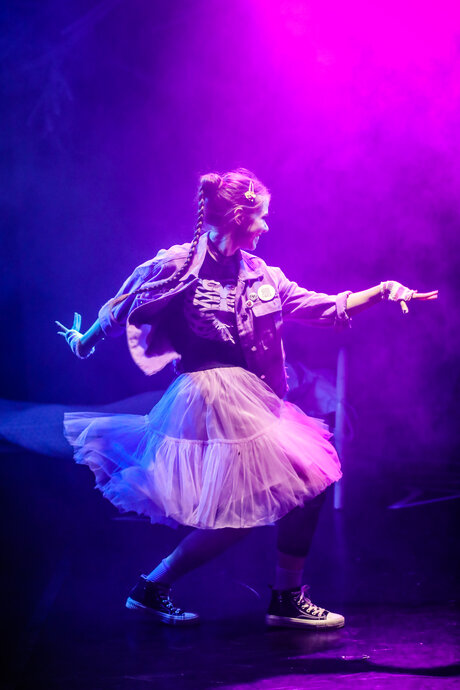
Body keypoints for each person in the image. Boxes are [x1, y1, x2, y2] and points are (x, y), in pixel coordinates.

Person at [57, 169, 438, 629]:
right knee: (293, 487)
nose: (267, 226)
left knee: (266, 502)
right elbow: (123, 306)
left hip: (252, 399)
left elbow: (318, 306)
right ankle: (279, 597)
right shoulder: (178, 264)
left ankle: (159, 588)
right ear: (239, 217)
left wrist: (380, 292)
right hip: (208, 399)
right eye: (262, 217)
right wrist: (84, 341)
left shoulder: (261, 275)